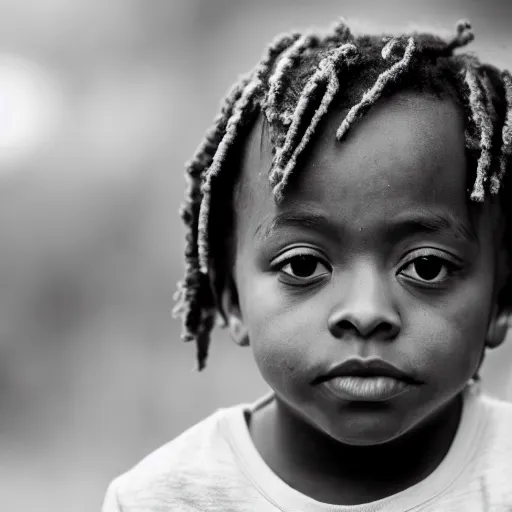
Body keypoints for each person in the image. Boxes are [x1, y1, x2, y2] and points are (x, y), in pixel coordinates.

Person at [102, 17, 512, 511]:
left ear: (501, 299)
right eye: (302, 266)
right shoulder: (164, 499)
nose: (366, 312)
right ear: (231, 299)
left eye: (426, 267)